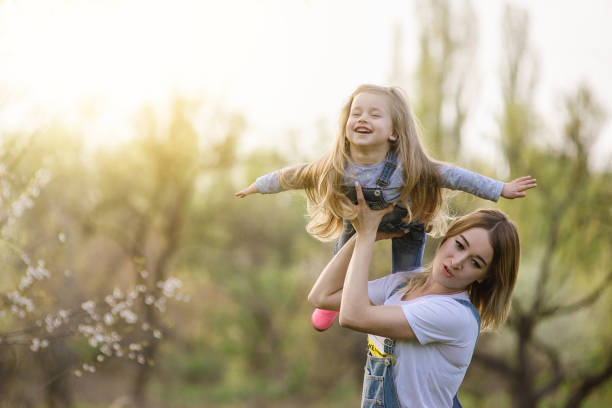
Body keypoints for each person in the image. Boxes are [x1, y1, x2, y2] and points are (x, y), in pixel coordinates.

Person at [235, 84, 535, 331]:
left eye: (375, 114)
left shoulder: (409, 167)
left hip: (406, 225)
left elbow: (455, 177)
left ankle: (405, 321)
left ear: (394, 132)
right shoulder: (335, 166)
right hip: (360, 222)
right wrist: (257, 186)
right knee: (340, 261)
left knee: (406, 281)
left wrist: (500, 188)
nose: (363, 118)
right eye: (357, 113)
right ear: (346, 124)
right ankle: (331, 306)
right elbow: (293, 176)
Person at [308, 183, 520, 408]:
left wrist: (366, 234)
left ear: (484, 277)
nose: (457, 262)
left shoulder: (454, 315)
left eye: (475, 262)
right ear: (448, 237)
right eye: (459, 245)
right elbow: (322, 295)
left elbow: (353, 316)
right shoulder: (405, 283)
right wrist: (367, 233)